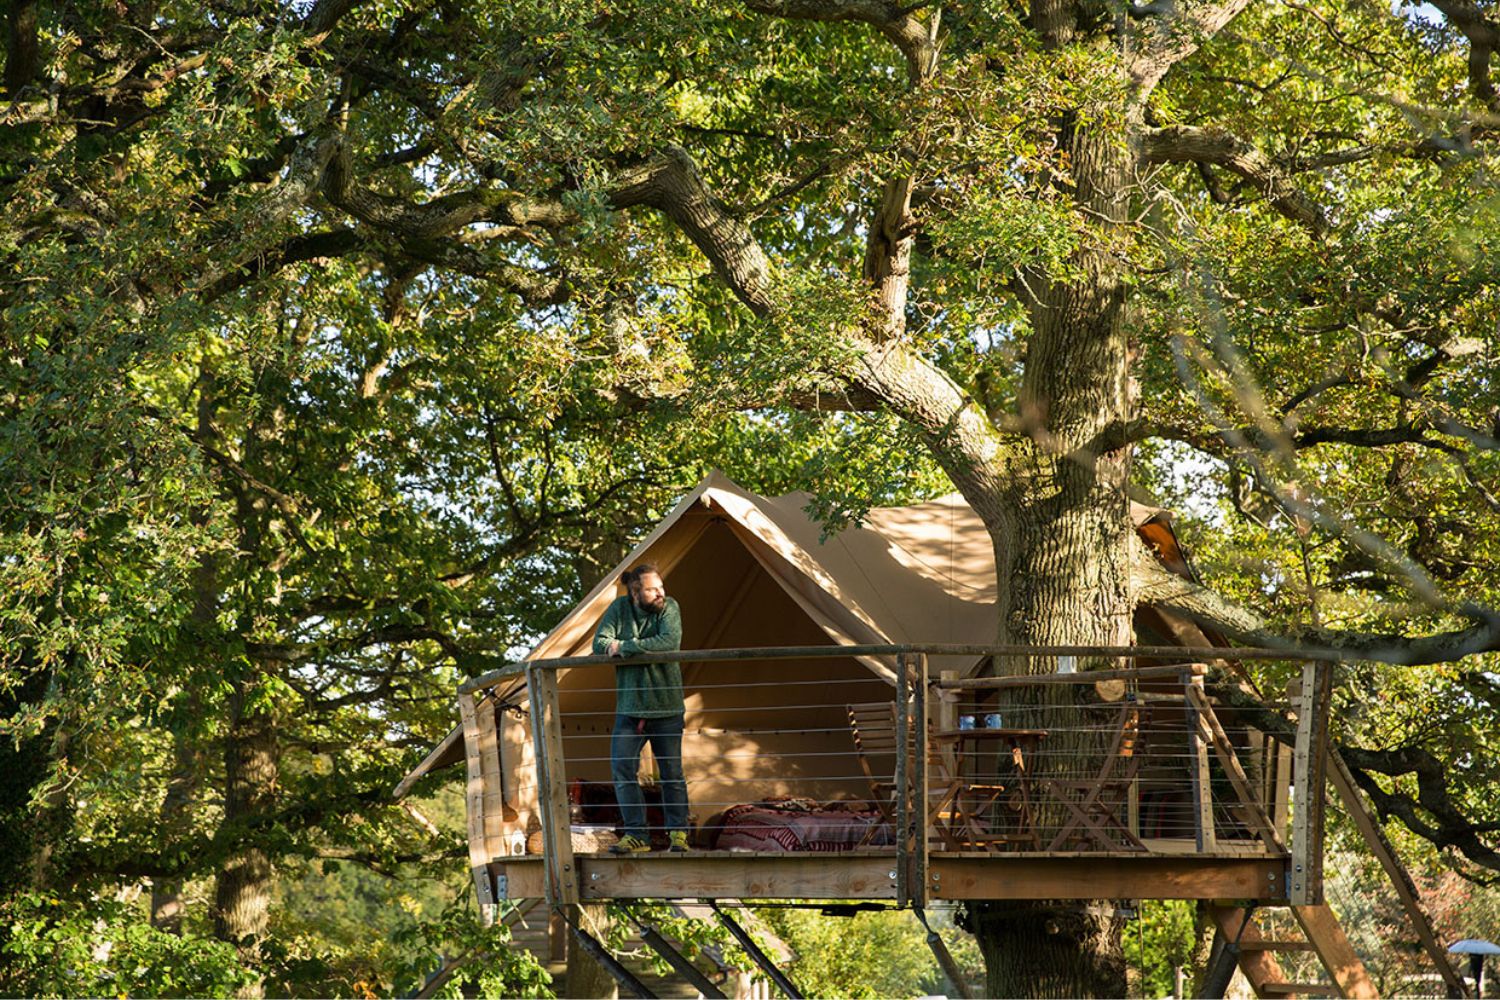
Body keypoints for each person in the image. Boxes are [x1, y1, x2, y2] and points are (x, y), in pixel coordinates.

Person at [592, 563, 689, 854]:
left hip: (667, 707)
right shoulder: (619, 609)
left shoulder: (669, 607)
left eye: (661, 586)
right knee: (622, 770)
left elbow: (669, 641)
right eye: (652, 589)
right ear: (636, 593)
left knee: (672, 773)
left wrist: (626, 646)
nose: (661, 592)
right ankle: (637, 835)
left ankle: (678, 835)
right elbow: (600, 643)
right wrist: (620, 645)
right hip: (630, 708)